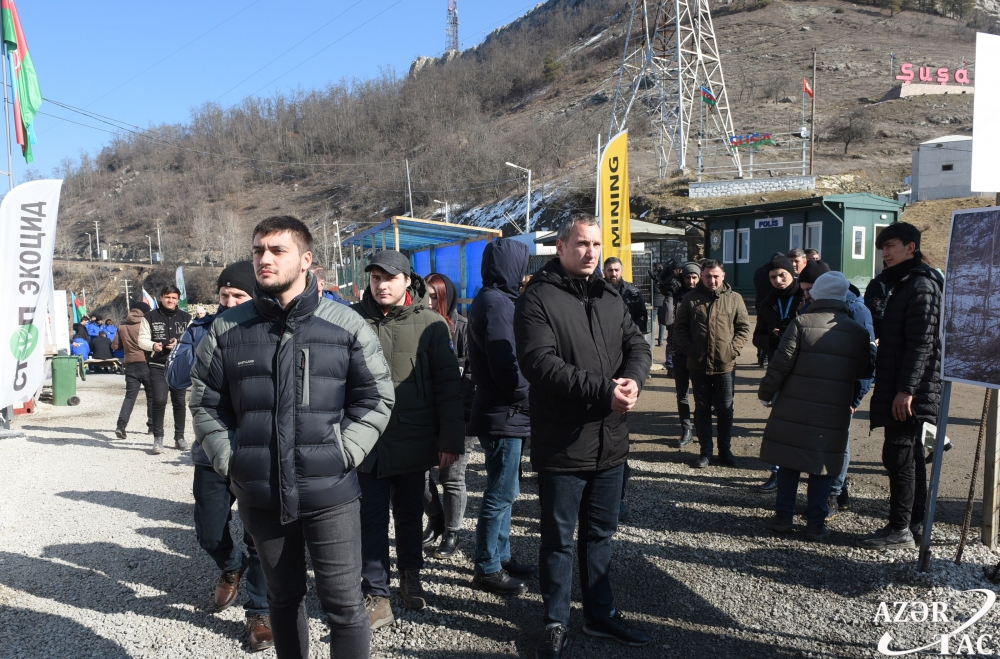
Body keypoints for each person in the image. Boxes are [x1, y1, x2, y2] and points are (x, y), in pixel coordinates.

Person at [190, 216, 394, 659]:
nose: (264, 259)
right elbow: (205, 402)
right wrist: (232, 459)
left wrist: (343, 452)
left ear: (305, 260)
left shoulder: (345, 325)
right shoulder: (228, 329)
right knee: (282, 599)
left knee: (344, 606)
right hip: (261, 494)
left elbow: (376, 397)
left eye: (277, 250)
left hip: (331, 493)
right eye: (258, 250)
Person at [515, 214, 652, 658]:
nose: (590, 252)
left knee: (600, 535)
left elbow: (638, 345)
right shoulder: (537, 298)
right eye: (581, 244)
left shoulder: (610, 295)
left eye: (596, 244)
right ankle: (555, 621)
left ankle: (600, 614)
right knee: (558, 540)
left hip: (610, 441)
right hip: (563, 444)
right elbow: (540, 363)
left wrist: (633, 380)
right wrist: (604, 391)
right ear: (561, 247)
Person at [351, 250, 464, 629]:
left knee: (409, 515)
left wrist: (450, 440)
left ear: (407, 281)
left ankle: (410, 576)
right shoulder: (350, 320)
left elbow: (449, 388)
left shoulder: (431, 324)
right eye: (375, 277)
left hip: (413, 439)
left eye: (390, 277)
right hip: (366, 443)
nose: (382, 285)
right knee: (370, 519)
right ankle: (377, 593)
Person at [166, 261, 273, 652]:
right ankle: (230, 565)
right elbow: (175, 379)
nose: (229, 302)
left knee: (261, 536)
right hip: (210, 449)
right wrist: (200, 337)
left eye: (238, 295)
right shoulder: (200, 328)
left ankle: (259, 612)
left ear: (256, 295)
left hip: (260, 448)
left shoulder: (270, 329)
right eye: (224, 295)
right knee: (209, 530)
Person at [758, 272, 875, 542]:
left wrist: (766, 393)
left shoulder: (801, 323)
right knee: (822, 465)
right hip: (833, 409)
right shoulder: (858, 332)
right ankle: (816, 523)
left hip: (794, 405)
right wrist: (854, 399)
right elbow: (864, 371)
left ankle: (783, 517)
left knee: (789, 460)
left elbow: (781, 364)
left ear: (817, 294)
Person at [857, 222, 943, 550]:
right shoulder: (906, 283)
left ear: (910, 247)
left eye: (891, 245)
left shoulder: (920, 285)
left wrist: (906, 390)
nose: (885, 252)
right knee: (911, 456)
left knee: (900, 455)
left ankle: (900, 529)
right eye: (883, 247)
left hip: (910, 390)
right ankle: (915, 523)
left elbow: (923, 343)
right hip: (903, 385)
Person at [466, 239, 536, 596]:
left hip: (504, 411)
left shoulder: (492, 298)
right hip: (505, 412)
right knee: (500, 492)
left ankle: (501, 555)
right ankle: (487, 567)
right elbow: (505, 365)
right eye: (522, 267)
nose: (524, 275)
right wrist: (530, 394)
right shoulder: (497, 303)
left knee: (506, 490)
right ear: (511, 267)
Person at [674, 260, 751, 469]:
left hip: (725, 366)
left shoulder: (734, 299)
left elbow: (743, 328)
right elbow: (679, 328)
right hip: (698, 365)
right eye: (708, 276)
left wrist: (732, 350)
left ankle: (725, 450)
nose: (712, 280)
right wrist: (690, 350)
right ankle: (705, 452)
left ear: (723, 276)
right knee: (702, 410)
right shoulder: (690, 299)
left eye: (716, 276)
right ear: (702, 276)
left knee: (725, 409)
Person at [421, 271, 474, 559]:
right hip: (423, 416)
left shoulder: (463, 329)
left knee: (452, 478)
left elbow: (472, 375)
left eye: (434, 296)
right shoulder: (416, 326)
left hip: (456, 417)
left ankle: (452, 532)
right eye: (425, 296)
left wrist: (461, 414)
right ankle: (436, 518)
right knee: (416, 474)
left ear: (446, 297)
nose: (429, 302)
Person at [602, 256, 648, 521]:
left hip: (622, 367)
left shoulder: (632, 292)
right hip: (598, 373)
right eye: (609, 270)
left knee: (617, 441)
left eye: (616, 269)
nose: (613, 273)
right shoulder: (599, 292)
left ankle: (616, 499)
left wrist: (634, 376)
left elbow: (641, 323)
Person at [827, 280, 876, 521]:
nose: (807, 295)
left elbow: (868, 361)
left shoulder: (857, 311)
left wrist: (855, 399)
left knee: (839, 444)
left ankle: (834, 494)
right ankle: (841, 491)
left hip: (845, 392)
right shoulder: (814, 305)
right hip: (821, 389)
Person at [139, 285, 192, 454]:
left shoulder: (186, 318)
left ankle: (179, 438)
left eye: (174, 298)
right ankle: (158, 439)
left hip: (179, 366)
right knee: (159, 400)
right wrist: (154, 346)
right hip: (158, 365)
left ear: (178, 300)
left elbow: (192, 341)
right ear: (161, 297)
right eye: (167, 297)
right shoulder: (149, 317)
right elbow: (142, 340)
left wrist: (179, 344)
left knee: (179, 402)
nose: (171, 300)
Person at [669, 263, 700, 449]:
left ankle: (701, 429)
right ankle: (686, 430)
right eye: (688, 277)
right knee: (682, 394)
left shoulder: (704, 296)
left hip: (698, 352)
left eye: (694, 277)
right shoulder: (675, 294)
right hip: (679, 350)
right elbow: (667, 319)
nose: (691, 281)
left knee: (700, 394)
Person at [113, 301, 153, 439]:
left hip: (130, 364)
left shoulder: (122, 326)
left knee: (130, 397)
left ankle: (121, 425)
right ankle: (152, 426)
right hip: (146, 364)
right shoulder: (146, 325)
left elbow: (115, 346)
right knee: (151, 396)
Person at [753, 252, 787, 368]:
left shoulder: (759, 271)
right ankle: (765, 357)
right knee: (770, 330)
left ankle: (761, 357)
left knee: (762, 329)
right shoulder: (773, 272)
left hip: (760, 303)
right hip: (771, 303)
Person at [651, 262, 666, 347]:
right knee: (662, 322)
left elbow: (646, 286)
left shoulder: (650, 276)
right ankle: (660, 341)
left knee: (652, 322)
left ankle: (652, 341)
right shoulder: (664, 276)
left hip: (653, 302)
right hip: (663, 301)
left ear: (654, 267)